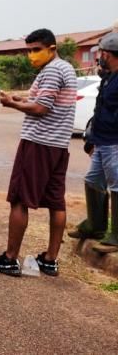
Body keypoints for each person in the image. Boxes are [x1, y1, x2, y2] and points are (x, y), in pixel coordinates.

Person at [0, 28, 77, 277]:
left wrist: (11, 104)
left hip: (38, 143)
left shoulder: (52, 70)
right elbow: (43, 100)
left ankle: (10, 258)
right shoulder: (65, 68)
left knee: (19, 199)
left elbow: (40, 108)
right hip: (59, 145)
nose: (32, 55)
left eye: (36, 50)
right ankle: (50, 259)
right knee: (56, 202)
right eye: (29, 50)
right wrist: (18, 97)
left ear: (51, 48)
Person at [68, 31, 118, 254]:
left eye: (103, 53)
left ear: (112, 54)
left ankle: (116, 235)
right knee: (93, 180)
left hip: (114, 141)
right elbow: (99, 110)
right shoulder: (108, 77)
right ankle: (95, 226)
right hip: (102, 139)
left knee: (117, 185)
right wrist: (91, 137)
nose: (100, 57)